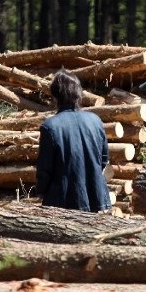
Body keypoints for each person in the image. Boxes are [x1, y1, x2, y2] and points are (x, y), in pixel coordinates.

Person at [35, 70, 112, 212]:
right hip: (95, 198)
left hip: (62, 202)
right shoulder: (95, 121)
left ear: (55, 95)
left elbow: (45, 168)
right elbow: (103, 159)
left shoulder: (50, 126)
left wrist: (41, 192)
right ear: (78, 93)